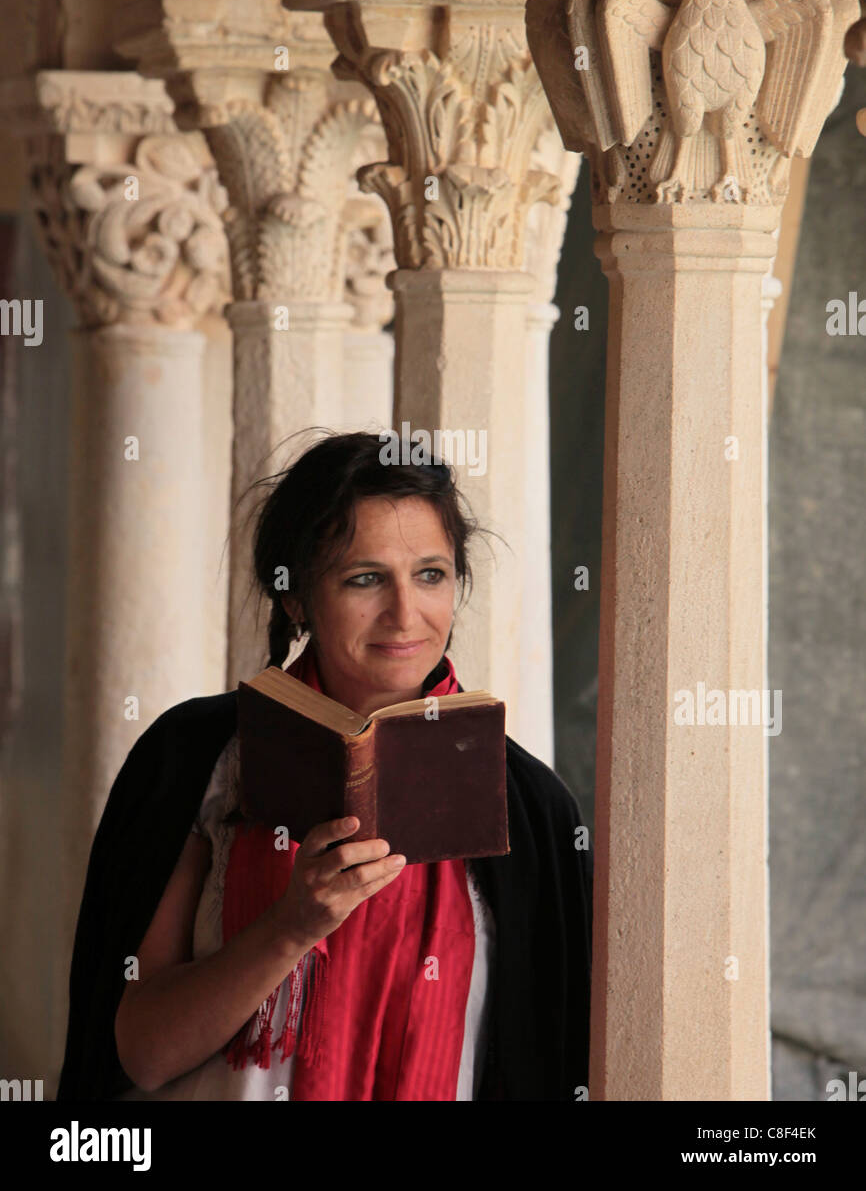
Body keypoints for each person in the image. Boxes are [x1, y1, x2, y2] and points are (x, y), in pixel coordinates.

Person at [57, 431, 593, 1101]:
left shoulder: (528, 809)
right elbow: (142, 1055)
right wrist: (290, 927)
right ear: (295, 598)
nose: (405, 614)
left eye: (431, 574)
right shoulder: (201, 761)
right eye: (364, 579)